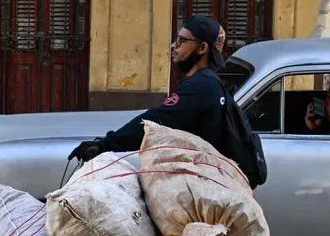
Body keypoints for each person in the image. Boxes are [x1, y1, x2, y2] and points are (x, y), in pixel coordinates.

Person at [68, 15, 232, 162]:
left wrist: (105, 145)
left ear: (202, 48)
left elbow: (155, 122)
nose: (173, 46)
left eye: (182, 41)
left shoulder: (199, 87)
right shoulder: (209, 81)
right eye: (176, 39)